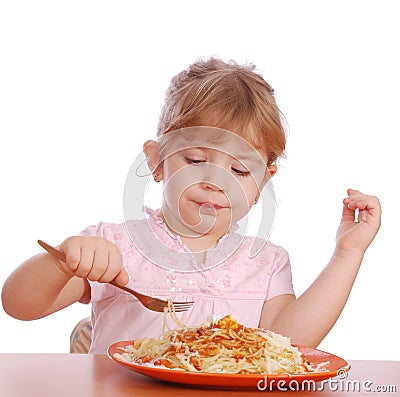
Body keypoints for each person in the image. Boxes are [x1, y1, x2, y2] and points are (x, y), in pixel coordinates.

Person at [1, 57, 381, 354]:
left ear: (263, 181)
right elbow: (19, 305)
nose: (216, 182)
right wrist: (61, 260)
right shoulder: (115, 245)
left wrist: (347, 253)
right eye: (196, 160)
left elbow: (290, 342)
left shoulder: (266, 262)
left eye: (239, 170)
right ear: (156, 161)